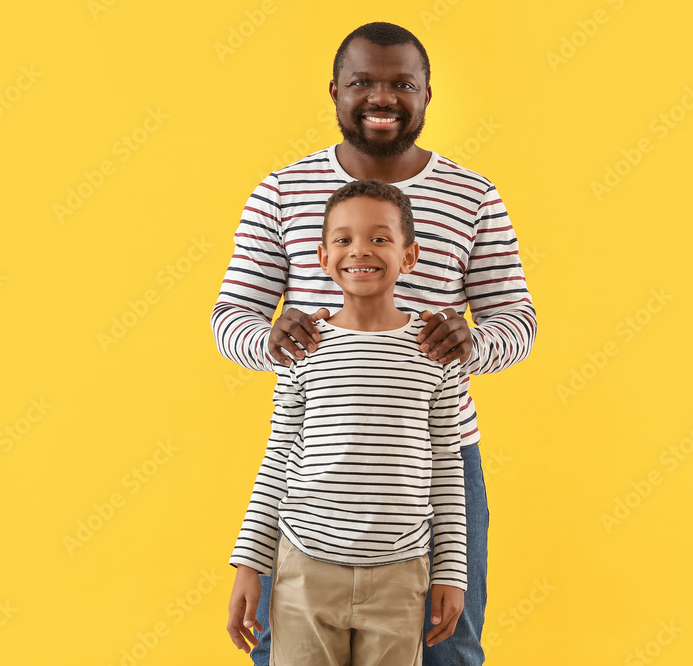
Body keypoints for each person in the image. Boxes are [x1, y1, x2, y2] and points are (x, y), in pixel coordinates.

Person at [212, 21, 536, 666]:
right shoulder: (279, 192)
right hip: (316, 461)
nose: (381, 97)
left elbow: (517, 323)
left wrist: (472, 346)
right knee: (285, 640)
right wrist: (268, 340)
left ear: (426, 94)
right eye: (362, 82)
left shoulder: (474, 195)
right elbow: (232, 317)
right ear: (335, 90)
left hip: (434, 458)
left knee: (448, 642)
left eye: (401, 84)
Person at [227, 179, 467, 664]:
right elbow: (278, 455)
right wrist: (249, 562)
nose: (361, 250)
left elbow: (446, 463)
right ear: (321, 256)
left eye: (380, 238)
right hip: (305, 568)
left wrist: (451, 572)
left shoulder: (436, 351)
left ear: (409, 255)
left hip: (402, 573)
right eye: (343, 239)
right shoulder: (301, 348)